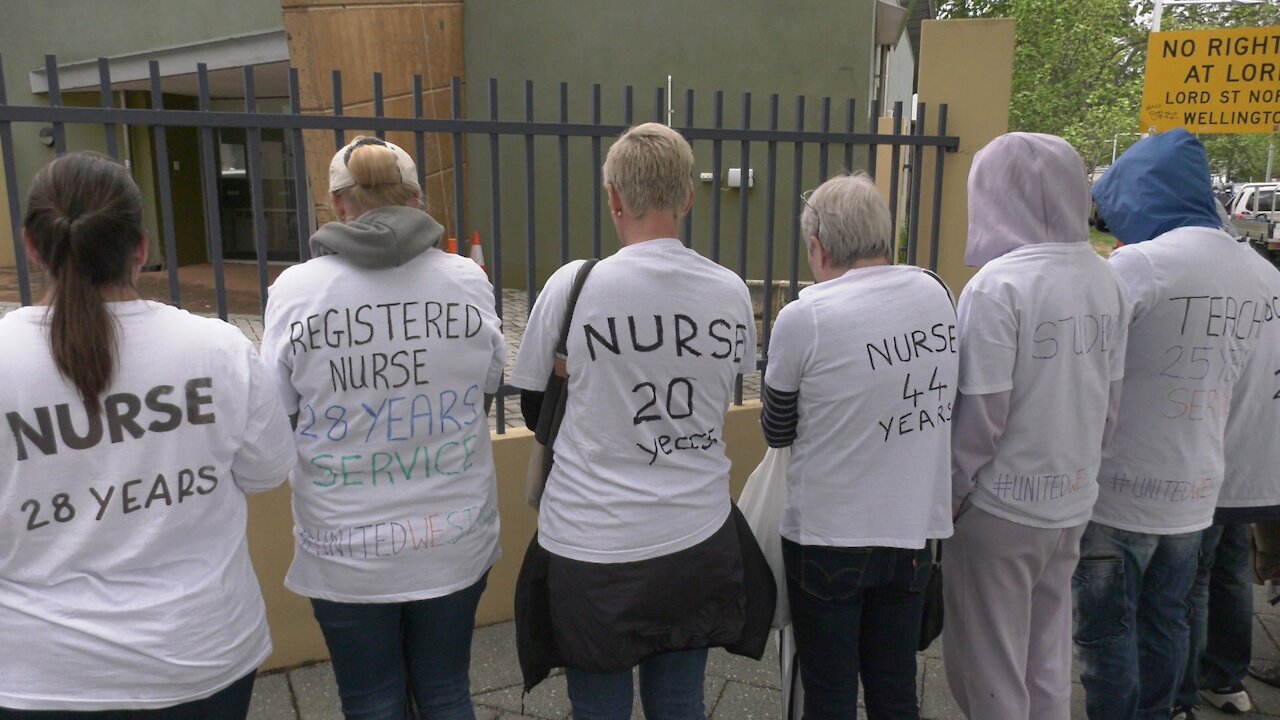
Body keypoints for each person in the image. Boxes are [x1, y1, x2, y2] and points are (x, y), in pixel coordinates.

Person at [0, 152, 295, 718]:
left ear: (32, 247)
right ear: (140, 248)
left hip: (41, 672)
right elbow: (267, 473)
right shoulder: (218, 349)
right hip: (199, 655)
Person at [510, 122, 773, 720]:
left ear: (613, 198)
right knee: (680, 700)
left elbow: (533, 408)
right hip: (696, 536)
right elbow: (721, 384)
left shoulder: (574, 286)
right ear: (686, 198)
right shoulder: (730, 291)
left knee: (598, 706)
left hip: (590, 545)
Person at [261, 136, 505, 720]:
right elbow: (490, 379)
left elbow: (276, 404)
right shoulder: (466, 280)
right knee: (447, 691)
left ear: (339, 205)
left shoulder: (296, 290)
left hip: (345, 548)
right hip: (454, 536)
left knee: (370, 701)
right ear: (417, 199)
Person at [1076, 128, 1271, 720]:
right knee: (1170, 617)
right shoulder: (1261, 273)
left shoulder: (1141, 264)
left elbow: (1086, 358)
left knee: (1107, 630)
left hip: (1123, 487)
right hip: (1199, 486)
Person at [942, 133, 1130, 720]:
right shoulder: (1107, 280)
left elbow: (981, 418)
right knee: (1046, 657)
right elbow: (1109, 403)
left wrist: (949, 500)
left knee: (989, 669)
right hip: (1071, 498)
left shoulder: (998, 287)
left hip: (999, 508)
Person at [759, 172, 957, 719]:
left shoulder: (805, 316)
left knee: (828, 691)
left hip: (828, 535)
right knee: (894, 687)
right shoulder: (937, 293)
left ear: (818, 247)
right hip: (913, 532)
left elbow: (777, 429)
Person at [1173, 236, 1280, 718]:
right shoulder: (1264, 280)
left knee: (1196, 575)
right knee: (1232, 569)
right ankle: (1226, 679)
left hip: (1212, 457)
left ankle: (1189, 686)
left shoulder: (1211, 286)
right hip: (1248, 462)